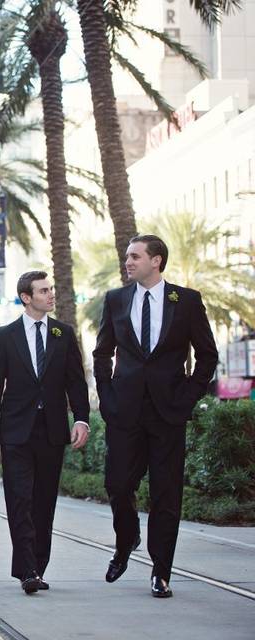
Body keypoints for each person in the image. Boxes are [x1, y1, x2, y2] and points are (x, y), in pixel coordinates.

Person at [94, 234, 217, 598]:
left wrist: (188, 396)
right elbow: (102, 353)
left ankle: (161, 572)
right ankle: (127, 537)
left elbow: (207, 355)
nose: (128, 262)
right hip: (124, 412)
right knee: (117, 485)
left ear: (156, 261)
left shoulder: (187, 301)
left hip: (168, 413)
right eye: (127, 257)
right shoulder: (116, 299)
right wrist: (107, 396)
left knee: (166, 495)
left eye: (134, 256)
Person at [0, 271, 90, 594]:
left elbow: (75, 382)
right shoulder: (6, 335)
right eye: (43, 290)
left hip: (53, 432)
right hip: (15, 432)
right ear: (27, 297)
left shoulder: (63, 333)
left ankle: (38, 566)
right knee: (19, 500)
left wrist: (81, 419)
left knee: (44, 502)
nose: (50, 294)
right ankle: (26, 568)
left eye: (51, 289)